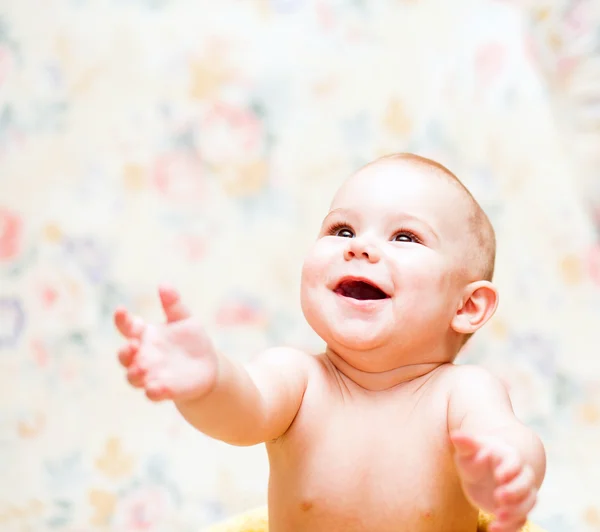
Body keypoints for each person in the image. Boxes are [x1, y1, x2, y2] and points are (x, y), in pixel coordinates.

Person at [114, 153, 546, 532]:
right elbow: (241, 414)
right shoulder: (299, 380)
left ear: (467, 307)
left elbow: (506, 436)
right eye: (342, 230)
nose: (360, 247)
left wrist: (505, 467)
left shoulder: (460, 394)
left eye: (405, 237)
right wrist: (209, 384)